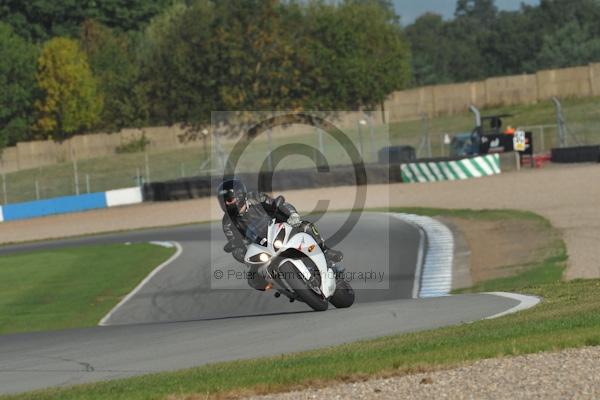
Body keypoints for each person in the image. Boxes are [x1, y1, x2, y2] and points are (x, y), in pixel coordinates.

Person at [217, 179, 343, 290]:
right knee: (253, 279)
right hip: (260, 246)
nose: (226, 204)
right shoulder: (227, 223)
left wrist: (292, 215)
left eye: (229, 200)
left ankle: (326, 251)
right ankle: (278, 287)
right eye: (223, 201)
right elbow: (235, 245)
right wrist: (242, 254)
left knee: (305, 226)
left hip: (279, 229)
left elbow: (280, 204)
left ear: (239, 196)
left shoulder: (256, 198)